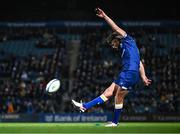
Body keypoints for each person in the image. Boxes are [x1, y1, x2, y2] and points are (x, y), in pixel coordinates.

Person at [72, 8, 151, 127]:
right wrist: (144, 76)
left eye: (112, 43)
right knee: (108, 92)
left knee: (118, 96)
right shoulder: (128, 48)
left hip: (130, 73)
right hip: (126, 72)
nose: (112, 46)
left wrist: (104, 16)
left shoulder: (127, 39)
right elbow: (139, 62)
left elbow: (115, 28)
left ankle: (115, 122)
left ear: (117, 38)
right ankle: (84, 106)